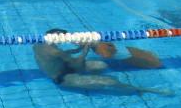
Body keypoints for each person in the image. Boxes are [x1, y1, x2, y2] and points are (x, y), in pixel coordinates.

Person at [33, 28, 172, 95]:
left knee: (101, 65)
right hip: (63, 77)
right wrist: (86, 49)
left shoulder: (39, 44)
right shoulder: (56, 51)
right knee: (110, 82)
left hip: (63, 66)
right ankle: (147, 90)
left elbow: (57, 58)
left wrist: (76, 50)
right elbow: (77, 63)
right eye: (64, 39)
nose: (65, 40)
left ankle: (89, 79)